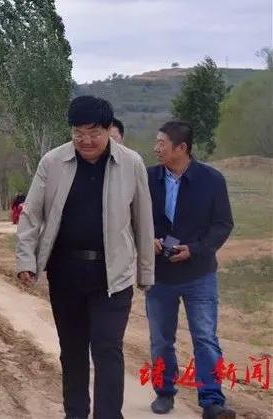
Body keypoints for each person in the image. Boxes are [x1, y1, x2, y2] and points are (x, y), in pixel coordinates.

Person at [15, 95, 154, 419]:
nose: (86, 140)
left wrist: (146, 271)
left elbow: (143, 221)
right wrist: (26, 260)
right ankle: (75, 413)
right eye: (78, 133)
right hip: (66, 274)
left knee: (107, 348)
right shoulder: (53, 162)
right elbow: (31, 215)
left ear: (108, 130)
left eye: (94, 133)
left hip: (113, 275)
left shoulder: (131, 163)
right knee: (73, 350)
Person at [146, 121, 236, 419]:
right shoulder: (147, 178)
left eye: (162, 143)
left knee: (205, 338)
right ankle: (164, 392)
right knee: (161, 339)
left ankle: (212, 400)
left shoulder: (212, 180)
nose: (156, 148)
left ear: (181, 148)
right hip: (159, 274)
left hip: (199, 274)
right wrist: (148, 239)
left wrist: (195, 249)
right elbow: (133, 217)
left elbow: (222, 224)